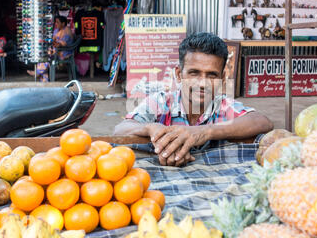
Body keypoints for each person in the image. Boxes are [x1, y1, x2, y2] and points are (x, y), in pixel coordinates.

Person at [114, 32, 274, 167]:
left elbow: (262, 122)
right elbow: (120, 130)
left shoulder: (223, 105)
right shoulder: (161, 102)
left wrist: (203, 132)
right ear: (178, 74)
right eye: (194, 73)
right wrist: (152, 129)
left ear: (222, 78)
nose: (202, 83)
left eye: (212, 75)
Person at [27, 15, 74, 82]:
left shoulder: (67, 30)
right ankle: (44, 79)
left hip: (64, 53)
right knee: (44, 54)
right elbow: (52, 41)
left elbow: (60, 44)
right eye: (55, 22)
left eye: (57, 22)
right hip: (56, 51)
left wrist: (52, 42)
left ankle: (38, 73)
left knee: (48, 56)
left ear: (63, 23)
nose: (56, 24)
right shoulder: (56, 30)